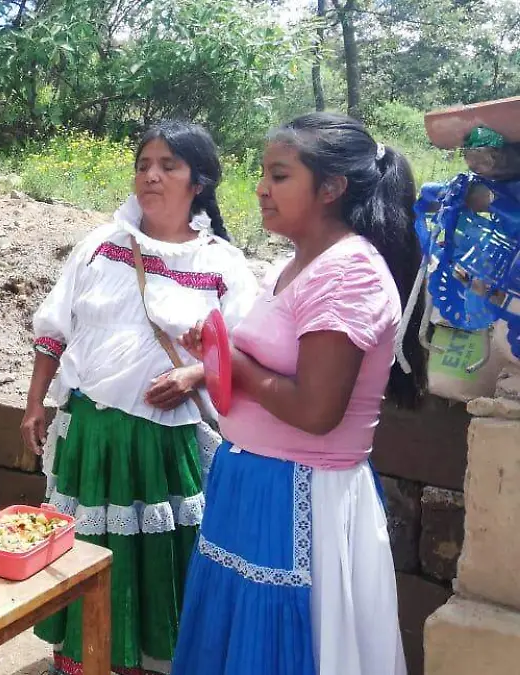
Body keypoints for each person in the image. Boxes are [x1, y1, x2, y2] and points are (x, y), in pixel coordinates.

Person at [170, 112, 426, 675]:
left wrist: (235, 366)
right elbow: (271, 363)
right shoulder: (296, 266)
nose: (261, 189)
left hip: (300, 496)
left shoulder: (348, 273)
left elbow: (316, 410)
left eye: (279, 175)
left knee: (279, 647)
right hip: (257, 484)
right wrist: (217, 352)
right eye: (263, 174)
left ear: (331, 188)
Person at [22, 121, 259, 675]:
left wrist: (193, 376)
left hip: (162, 439)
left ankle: (151, 663)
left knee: (159, 558)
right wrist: (36, 404)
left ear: (197, 182)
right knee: (87, 551)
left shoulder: (221, 264)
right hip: (92, 432)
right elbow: (54, 329)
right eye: (144, 163)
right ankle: (85, 660)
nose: (151, 175)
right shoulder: (99, 247)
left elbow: (246, 351)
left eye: (169, 165)